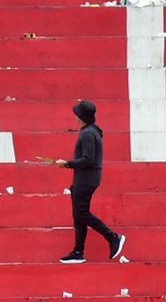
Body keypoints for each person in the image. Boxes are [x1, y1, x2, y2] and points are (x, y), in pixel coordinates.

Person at [54, 100, 126, 264]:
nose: (75, 118)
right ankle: (78, 251)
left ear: (81, 117)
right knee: (79, 215)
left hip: (85, 180)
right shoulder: (93, 131)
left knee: (82, 214)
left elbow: (88, 159)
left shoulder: (87, 133)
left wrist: (67, 163)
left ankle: (113, 237)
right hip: (86, 179)